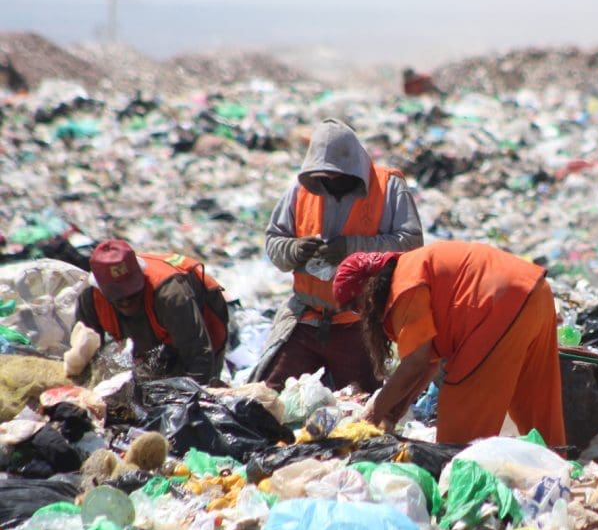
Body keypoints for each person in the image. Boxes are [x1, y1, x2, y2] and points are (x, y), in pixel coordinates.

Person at [332, 241, 566, 446]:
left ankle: (459, 483)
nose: (361, 316)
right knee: (535, 399)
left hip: (499, 305)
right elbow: (429, 362)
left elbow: (415, 363)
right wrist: (396, 411)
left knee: (460, 427)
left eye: (356, 307)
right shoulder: (412, 268)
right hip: (536, 292)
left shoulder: (404, 287)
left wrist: (372, 414)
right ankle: (557, 469)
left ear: (367, 291)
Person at [253, 118, 423, 391]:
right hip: (305, 318)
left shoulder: (388, 187)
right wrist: (295, 250)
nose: (330, 181)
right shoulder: (301, 189)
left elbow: (411, 245)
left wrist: (350, 248)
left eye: (337, 175)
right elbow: (274, 242)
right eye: (324, 176)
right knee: (265, 399)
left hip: (359, 323)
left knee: (363, 409)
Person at [76, 239, 230, 384]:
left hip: (200, 315)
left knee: (195, 384)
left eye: (131, 292)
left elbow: (199, 355)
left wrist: (194, 398)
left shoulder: (170, 294)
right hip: (154, 329)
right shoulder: (91, 298)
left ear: (141, 278)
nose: (126, 300)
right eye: (117, 295)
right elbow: (83, 356)